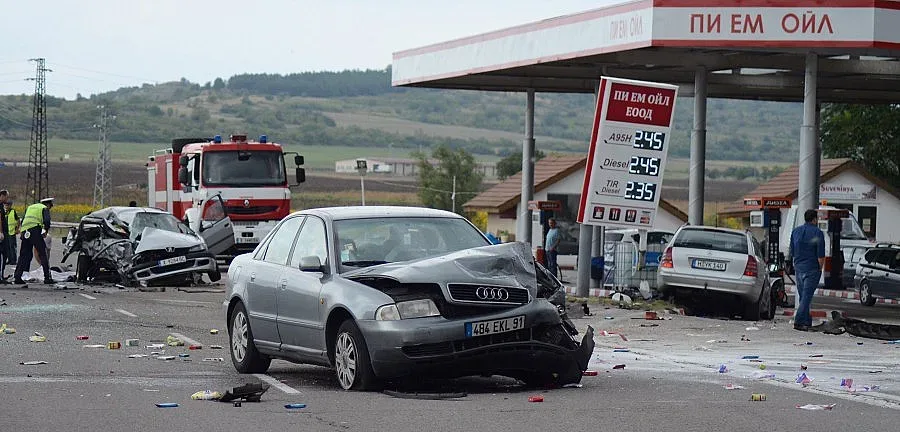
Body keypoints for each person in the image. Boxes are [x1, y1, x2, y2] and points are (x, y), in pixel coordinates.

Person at [789, 209, 825, 331]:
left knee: (803, 296)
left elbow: (792, 252)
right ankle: (798, 321)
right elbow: (820, 254)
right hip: (812, 268)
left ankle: (806, 321)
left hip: (799, 267)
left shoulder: (795, 232)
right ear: (814, 219)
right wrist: (820, 268)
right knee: (807, 297)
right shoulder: (818, 233)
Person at [13, 197, 56, 285]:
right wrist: (45, 231)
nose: (49, 208)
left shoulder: (30, 207)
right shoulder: (43, 208)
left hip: (25, 231)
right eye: (50, 206)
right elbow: (47, 221)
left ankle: (17, 276)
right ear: (47, 204)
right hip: (35, 230)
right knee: (43, 253)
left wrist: (22, 232)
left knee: (23, 254)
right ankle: (47, 278)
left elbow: (24, 219)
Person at [4, 199, 19, 266]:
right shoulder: (4, 212)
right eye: (5, 205)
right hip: (6, 232)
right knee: (7, 247)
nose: (6, 206)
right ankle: (9, 260)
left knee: (12, 247)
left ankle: (14, 260)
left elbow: (18, 220)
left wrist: (17, 229)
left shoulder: (13, 211)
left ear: (10, 205)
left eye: (7, 205)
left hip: (12, 232)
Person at [0, 190, 8, 283]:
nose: (7, 199)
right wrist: (1, 232)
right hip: (2, 233)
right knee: (3, 254)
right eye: (6, 196)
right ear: (2, 195)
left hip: (4, 232)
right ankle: (0, 276)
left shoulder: (2, 206)